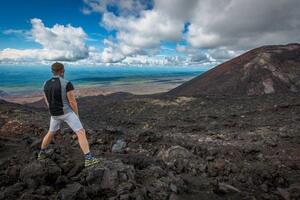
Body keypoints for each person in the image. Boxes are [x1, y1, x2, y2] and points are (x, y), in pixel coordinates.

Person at [37, 62, 100, 167]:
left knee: (50, 133)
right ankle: (89, 158)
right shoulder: (66, 83)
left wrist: (52, 110)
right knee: (80, 132)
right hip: (67, 113)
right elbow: (72, 102)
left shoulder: (45, 84)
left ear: (52, 71)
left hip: (54, 114)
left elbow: (47, 100)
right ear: (62, 71)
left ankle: (41, 153)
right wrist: (76, 115)